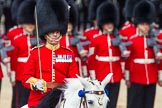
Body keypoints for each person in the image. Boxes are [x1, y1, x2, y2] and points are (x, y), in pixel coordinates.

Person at [22, 0, 79, 107]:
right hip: (39, 98)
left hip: (61, 97)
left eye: (57, 32)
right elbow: (26, 77)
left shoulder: (68, 54)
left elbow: (74, 79)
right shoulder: (36, 53)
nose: (55, 34)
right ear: (46, 33)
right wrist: (35, 83)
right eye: (52, 32)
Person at [125, 1, 162, 108]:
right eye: (142, 24)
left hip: (151, 77)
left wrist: (160, 77)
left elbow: (159, 62)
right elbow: (128, 61)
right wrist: (127, 78)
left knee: (148, 104)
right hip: (136, 77)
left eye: (147, 24)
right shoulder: (132, 40)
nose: (145, 27)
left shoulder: (156, 40)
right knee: (135, 104)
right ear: (138, 24)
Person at [88, 1, 123, 108]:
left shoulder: (117, 38)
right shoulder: (96, 39)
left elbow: (122, 58)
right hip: (101, 76)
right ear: (102, 24)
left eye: (111, 23)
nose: (109, 25)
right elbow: (91, 59)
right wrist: (93, 78)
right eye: (107, 23)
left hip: (116, 75)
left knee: (113, 102)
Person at [9, 0, 36, 107]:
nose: (30, 25)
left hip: (34, 75)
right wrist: (13, 77)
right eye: (27, 23)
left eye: (32, 23)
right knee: (20, 101)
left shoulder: (38, 40)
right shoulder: (17, 39)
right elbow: (14, 60)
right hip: (21, 75)